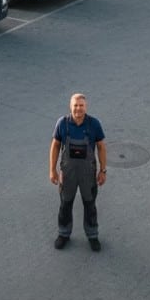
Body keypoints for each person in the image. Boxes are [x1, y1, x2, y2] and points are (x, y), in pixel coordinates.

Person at [49, 92, 107, 251]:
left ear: (86, 107)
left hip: (88, 174)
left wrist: (103, 171)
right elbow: (55, 146)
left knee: (90, 205)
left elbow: (101, 147)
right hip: (68, 175)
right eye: (75, 105)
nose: (78, 109)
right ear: (70, 106)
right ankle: (63, 234)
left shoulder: (94, 124)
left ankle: (93, 235)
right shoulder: (62, 123)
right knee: (65, 204)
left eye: (81, 105)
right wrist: (52, 170)